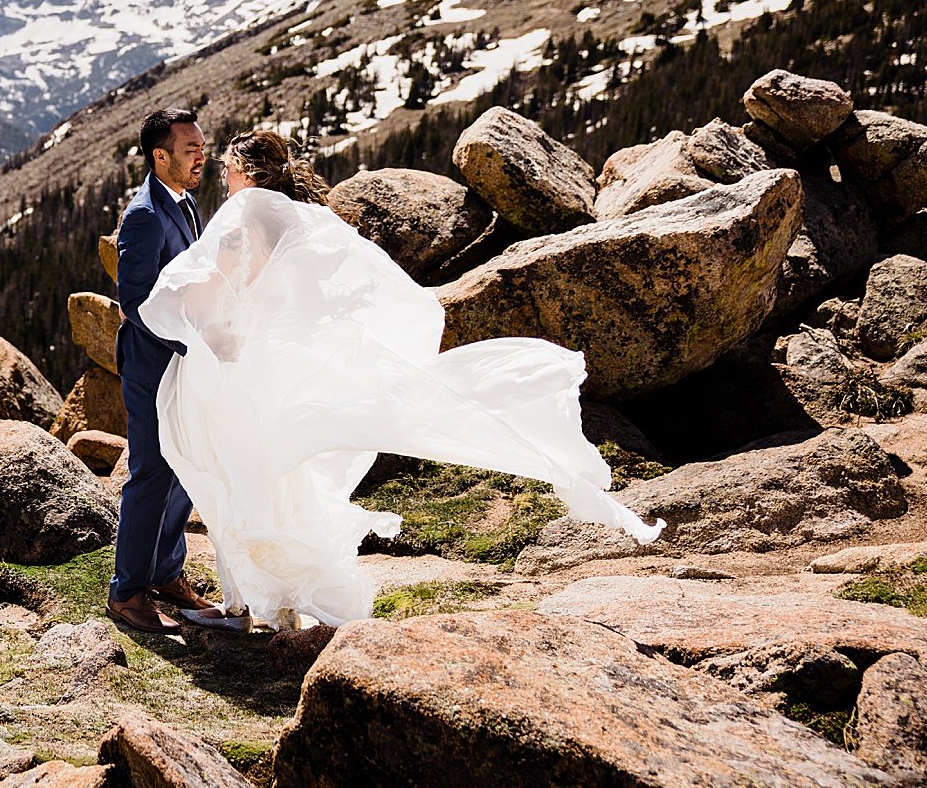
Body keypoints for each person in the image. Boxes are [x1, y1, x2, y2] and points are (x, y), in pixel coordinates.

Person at [141, 129, 663, 629]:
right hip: (268, 367)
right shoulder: (296, 221)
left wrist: (186, 314)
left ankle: (250, 605)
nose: (224, 181)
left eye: (230, 171)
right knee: (275, 481)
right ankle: (272, 603)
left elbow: (217, 293)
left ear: (249, 174)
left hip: (239, 370)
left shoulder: (245, 217)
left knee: (238, 478)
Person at [106, 107, 221, 634]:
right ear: (161, 156)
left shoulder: (185, 202)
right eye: (191, 149)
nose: (202, 156)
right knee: (151, 473)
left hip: (182, 361)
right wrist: (185, 342)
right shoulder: (145, 215)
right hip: (153, 365)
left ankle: (164, 573)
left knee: (185, 465)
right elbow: (133, 300)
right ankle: (127, 593)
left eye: (202, 146)